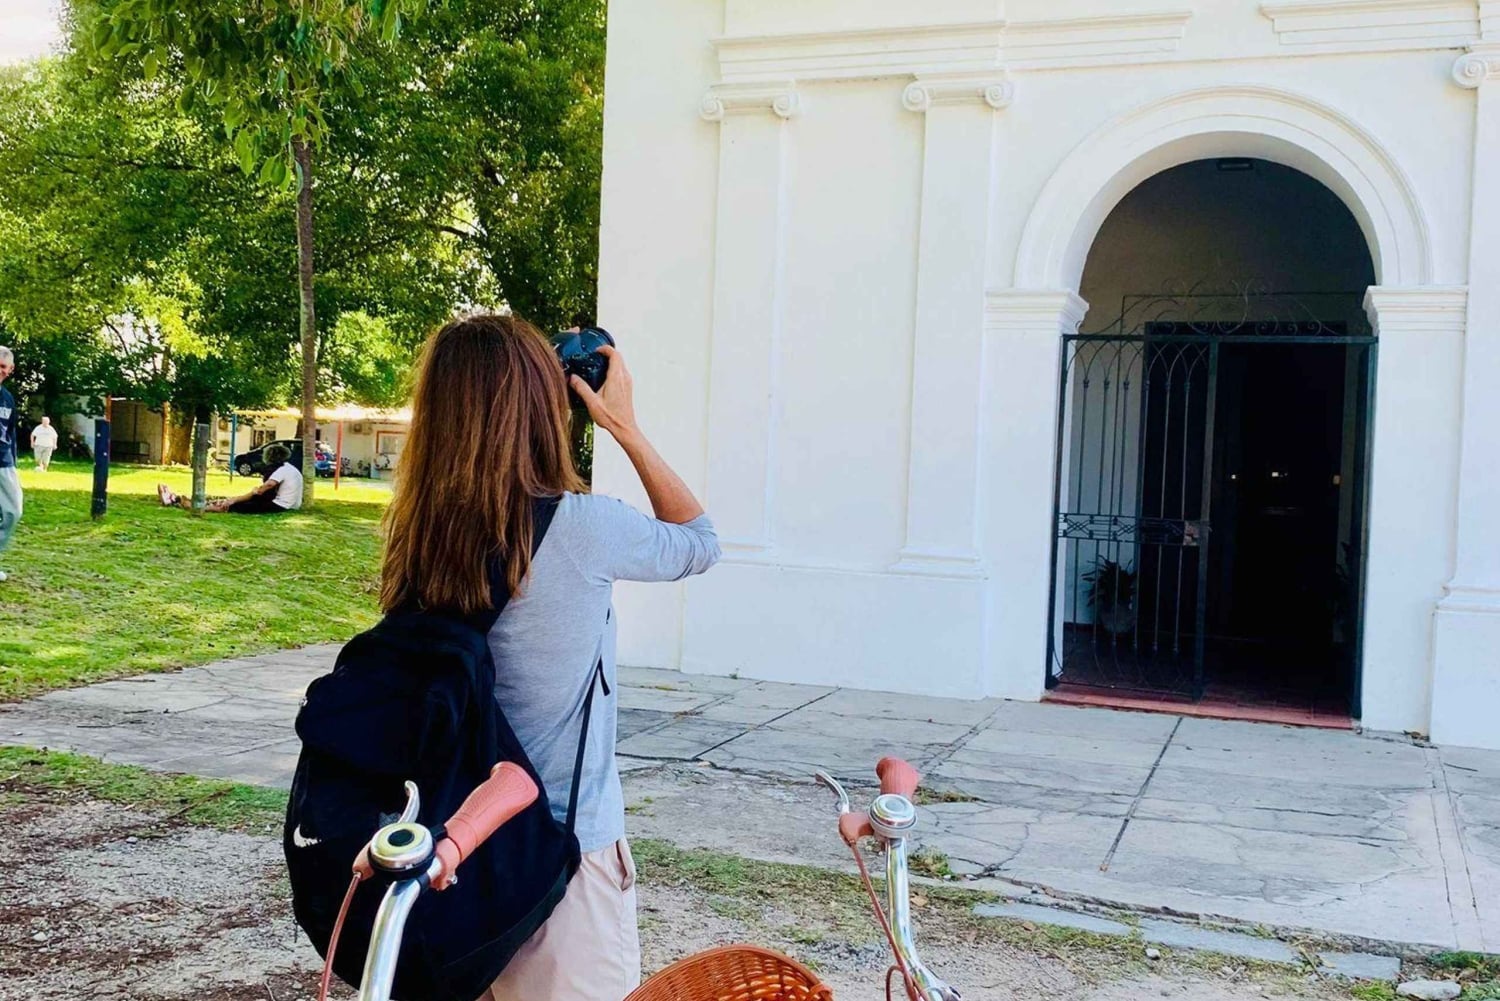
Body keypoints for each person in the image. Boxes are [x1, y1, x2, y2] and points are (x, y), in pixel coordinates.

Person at [379, 313, 719, 1001]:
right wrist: (622, 423)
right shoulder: (584, 529)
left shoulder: (417, 537)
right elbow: (699, 541)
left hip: (452, 855)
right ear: (538, 407)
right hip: (563, 859)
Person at [156, 443, 304, 514]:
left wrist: (254, 491)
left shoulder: (280, 470)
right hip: (288, 504)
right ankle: (189, 501)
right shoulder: (289, 468)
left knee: (237, 505)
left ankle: (190, 505)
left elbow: (267, 487)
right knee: (242, 499)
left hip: (280, 506)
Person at [0, 346, 19, 583]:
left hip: (4, 462)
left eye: (4, 368)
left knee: (14, 511)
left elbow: (11, 432)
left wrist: (13, 461)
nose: (0, 371)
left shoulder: (7, 399)